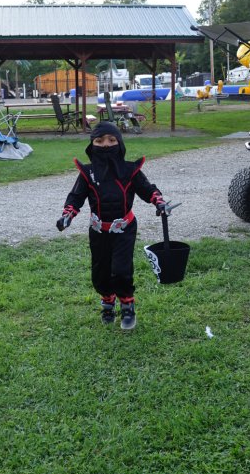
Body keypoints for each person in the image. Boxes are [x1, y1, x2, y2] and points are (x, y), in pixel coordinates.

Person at [56, 121, 169, 330]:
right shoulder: (87, 174)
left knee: (121, 269)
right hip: (98, 230)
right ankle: (107, 301)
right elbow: (76, 196)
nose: (106, 145)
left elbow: (147, 189)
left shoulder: (130, 171)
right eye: (99, 141)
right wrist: (67, 215)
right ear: (92, 146)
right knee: (100, 272)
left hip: (124, 229)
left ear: (120, 143)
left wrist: (159, 202)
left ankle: (127, 306)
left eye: (111, 140)